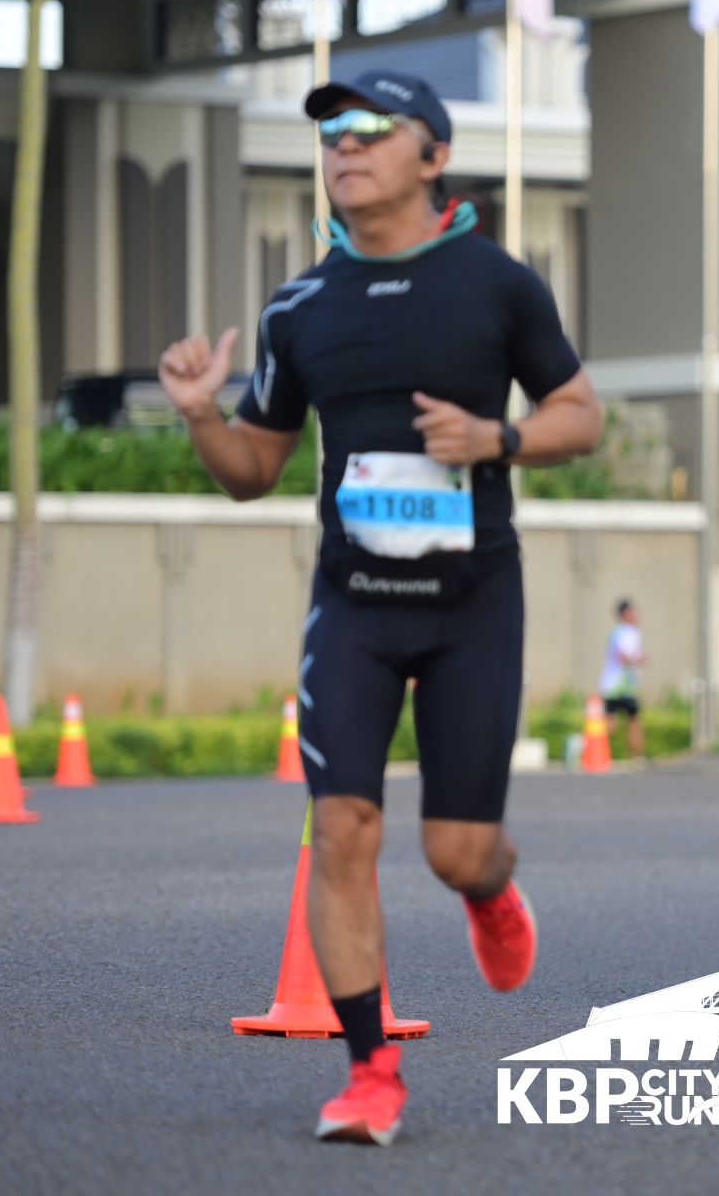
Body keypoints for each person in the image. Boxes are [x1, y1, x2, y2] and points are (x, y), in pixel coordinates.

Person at [157, 70, 603, 1145]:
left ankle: (490, 889)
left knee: (456, 850)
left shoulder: (498, 285)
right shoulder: (301, 306)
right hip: (353, 606)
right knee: (342, 828)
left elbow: (579, 412)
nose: (344, 146)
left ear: (433, 155)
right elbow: (253, 469)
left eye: (368, 128)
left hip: (471, 604)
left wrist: (496, 438)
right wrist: (203, 413)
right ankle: (370, 1073)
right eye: (330, 134)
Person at [599, 598, 646, 759]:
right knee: (612, 724)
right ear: (624, 614)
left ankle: (637, 755)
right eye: (632, 611)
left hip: (626, 686)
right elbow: (622, 656)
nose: (636, 614)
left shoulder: (630, 633)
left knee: (633, 720)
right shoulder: (622, 633)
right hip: (616, 685)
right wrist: (638, 659)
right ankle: (595, 751)